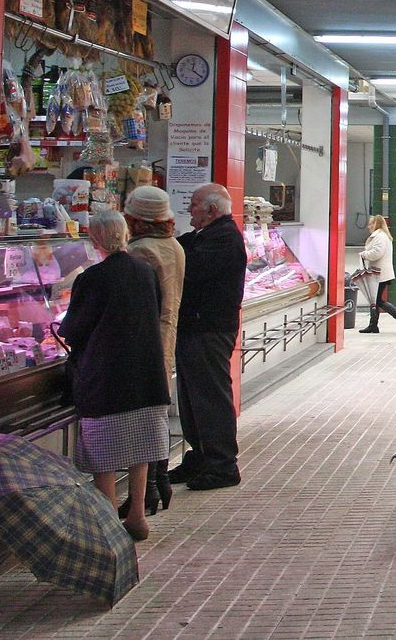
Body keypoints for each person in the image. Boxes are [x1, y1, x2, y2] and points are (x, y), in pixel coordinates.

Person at [59, 211, 170, 542]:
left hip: (106, 378)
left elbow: (75, 329)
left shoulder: (91, 278)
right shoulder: (146, 271)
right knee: (141, 448)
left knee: (102, 452)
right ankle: (137, 513)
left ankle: (108, 515)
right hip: (147, 374)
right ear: (124, 235)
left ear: (94, 241)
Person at [169, 183, 248, 491]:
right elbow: (181, 245)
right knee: (191, 399)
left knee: (210, 397)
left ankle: (222, 464)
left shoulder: (224, 239)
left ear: (212, 211)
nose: (189, 210)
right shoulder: (209, 235)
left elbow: (189, 267)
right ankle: (200, 456)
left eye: (194, 206)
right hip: (196, 328)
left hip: (209, 329)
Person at [124, 185, 183, 516]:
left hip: (145, 342)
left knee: (144, 418)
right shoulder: (173, 245)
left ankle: (147, 490)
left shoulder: (141, 251)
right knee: (157, 414)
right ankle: (159, 482)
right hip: (166, 339)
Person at [357, 214, 396, 333]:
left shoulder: (380, 237)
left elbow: (377, 253)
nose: (368, 226)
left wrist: (364, 254)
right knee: (375, 300)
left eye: (370, 224)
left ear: (376, 224)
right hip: (379, 273)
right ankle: (374, 324)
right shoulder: (381, 236)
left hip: (379, 273)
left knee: (376, 300)